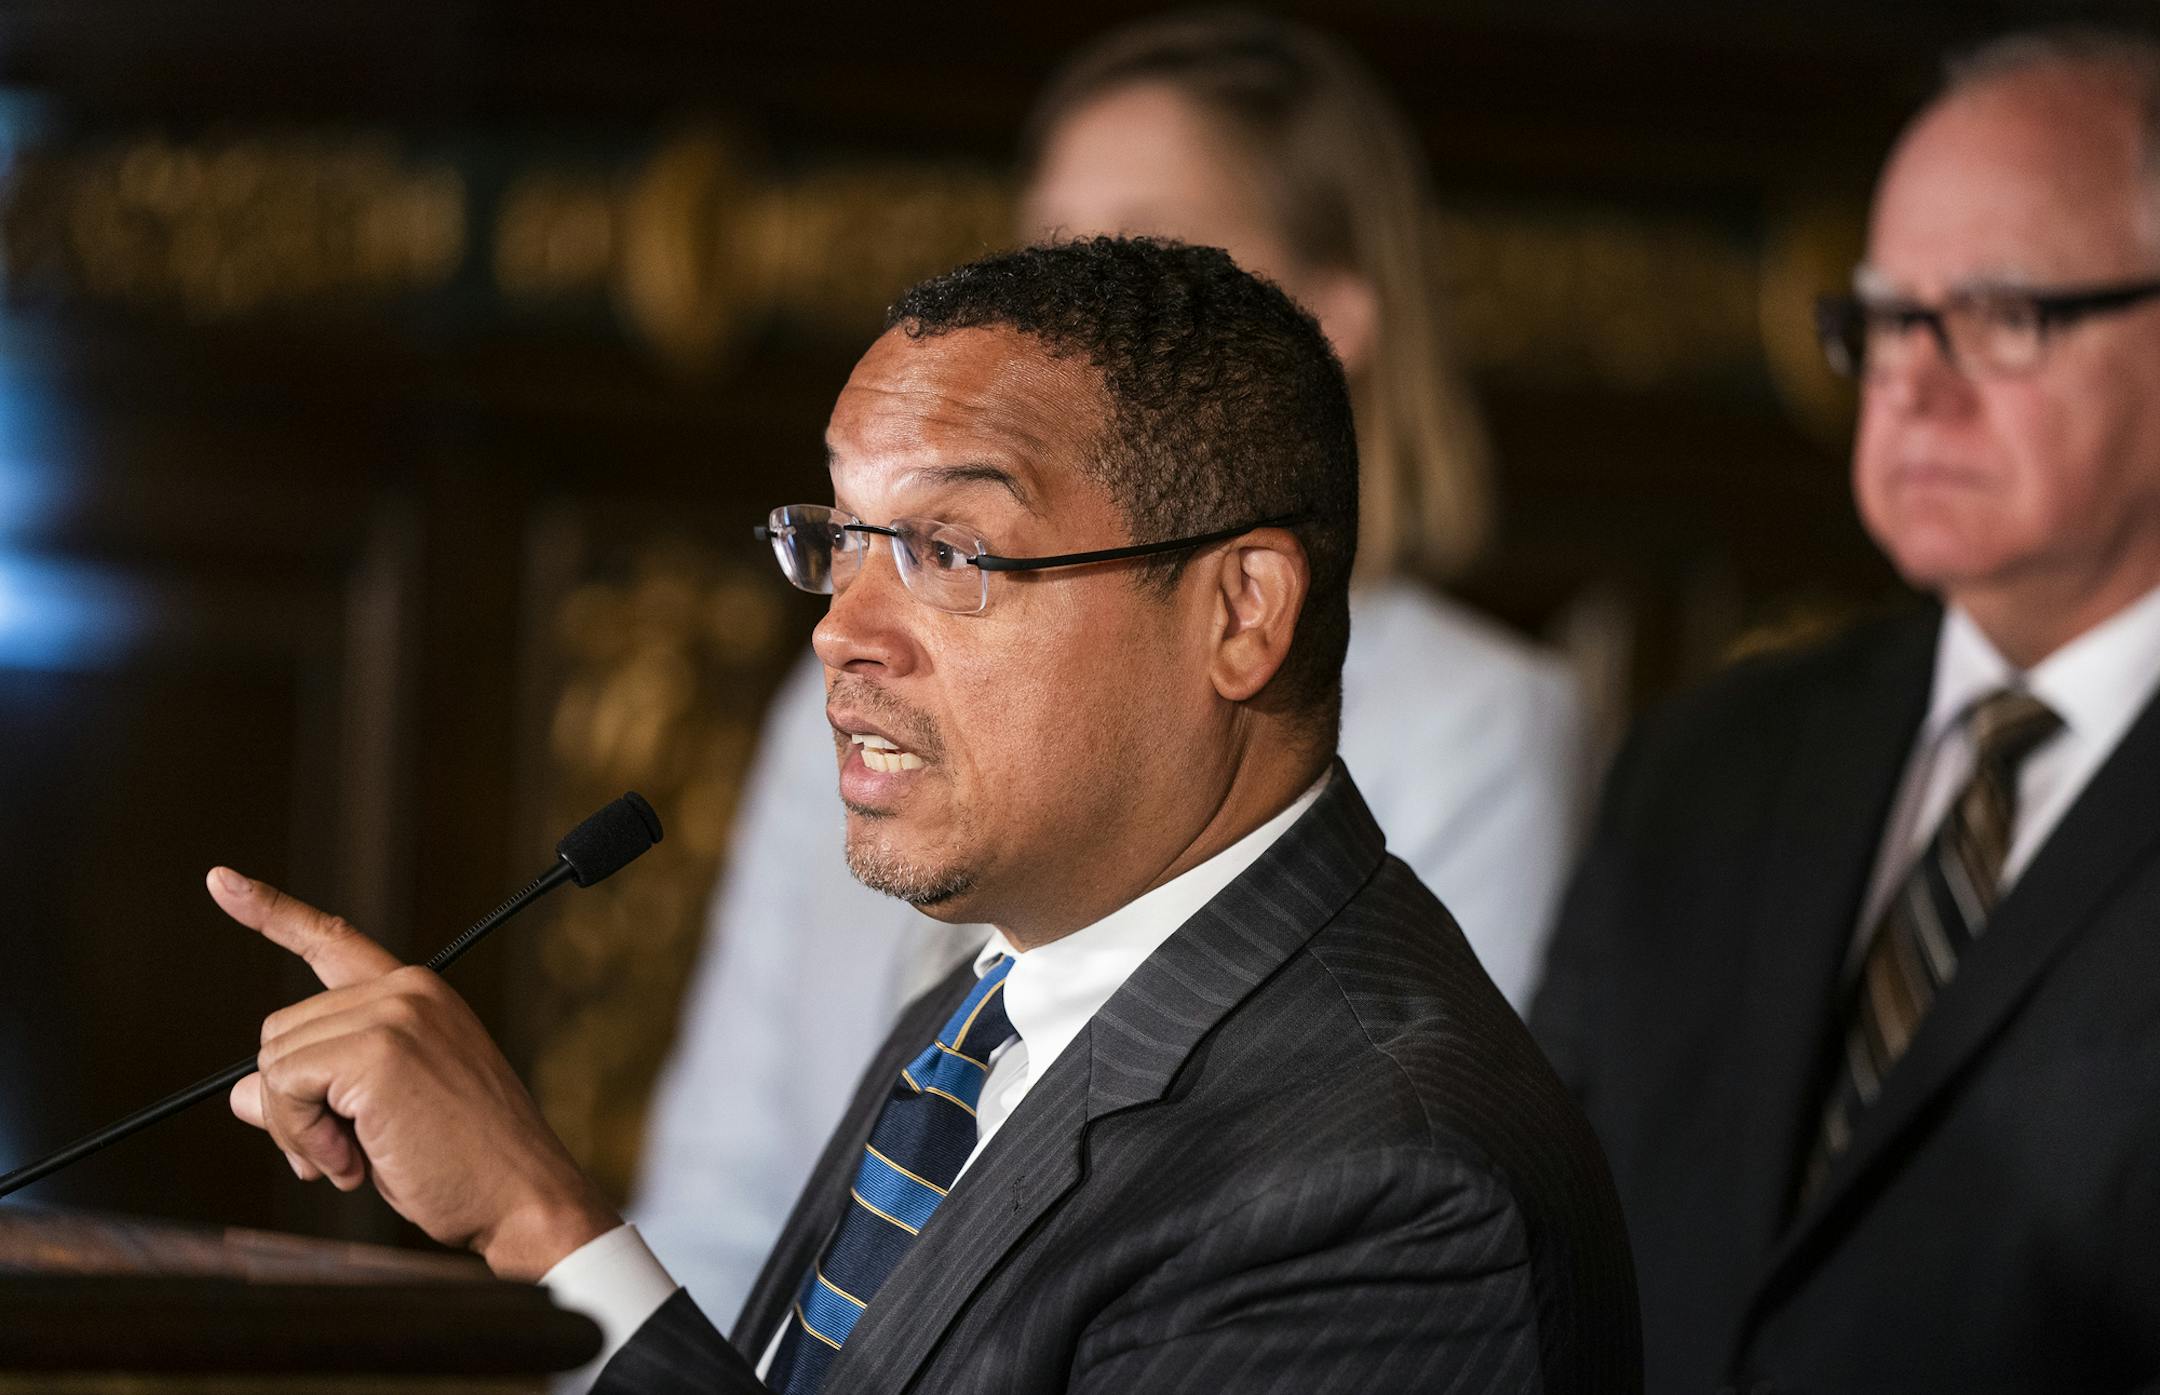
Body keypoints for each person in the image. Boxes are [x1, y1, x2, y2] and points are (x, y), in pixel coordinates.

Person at [217, 237, 1639, 1393]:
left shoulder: (1390, 1189)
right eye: (842, 539)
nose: (843, 630)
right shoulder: (985, 1010)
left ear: (1239, 612)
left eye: (951, 549)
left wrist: (541, 1225)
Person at [634, 11, 1586, 1322]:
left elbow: (1321, 1176)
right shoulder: (853, 679)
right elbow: (724, 1196)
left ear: (1326, 328)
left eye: (1140, 259)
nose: (1059, 313)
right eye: (1045, 253)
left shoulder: (1475, 727)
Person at [1530, 28, 2160, 1395]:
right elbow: (1522, 1254)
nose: (1913, 385)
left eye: (2001, 313)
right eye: (1882, 317)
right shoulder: (1706, 757)